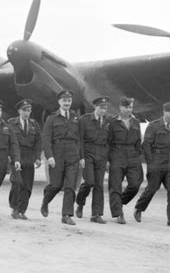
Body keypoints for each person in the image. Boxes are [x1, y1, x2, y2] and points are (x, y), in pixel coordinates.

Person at [134, 102, 170, 228]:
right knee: (152, 189)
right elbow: (146, 145)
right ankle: (139, 208)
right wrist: (151, 163)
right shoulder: (154, 126)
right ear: (164, 112)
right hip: (157, 161)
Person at [41, 90, 84, 225]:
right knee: (56, 185)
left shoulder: (75, 117)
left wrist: (81, 157)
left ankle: (66, 215)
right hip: (57, 153)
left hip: (72, 153)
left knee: (70, 186)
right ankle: (46, 201)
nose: (67, 103)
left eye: (69, 100)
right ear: (59, 102)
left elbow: (80, 139)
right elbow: (46, 139)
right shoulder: (52, 118)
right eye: (64, 100)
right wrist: (49, 156)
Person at [75, 96, 111, 224]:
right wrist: (81, 157)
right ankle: (80, 202)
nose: (103, 110)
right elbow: (79, 140)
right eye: (101, 108)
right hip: (88, 154)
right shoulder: (84, 120)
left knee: (99, 185)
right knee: (89, 182)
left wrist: (107, 160)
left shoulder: (108, 121)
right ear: (95, 107)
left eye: (105, 108)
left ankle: (96, 214)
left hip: (101, 155)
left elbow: (109, 142)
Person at [108, 97, 143, 224]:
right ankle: (118, 214)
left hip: (132, 155)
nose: (129, 110)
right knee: (115, 185)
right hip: (117, 154)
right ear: (120, 107)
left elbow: (139, 141)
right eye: (126, 107)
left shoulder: (136, 122)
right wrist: (108, 159)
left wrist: (137, 154)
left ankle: (119, 202)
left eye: (130, 107)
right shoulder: (112, 123)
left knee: (135, 184)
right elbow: (108, 142)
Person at [8, 99, 41, 220]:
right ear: (19, 111)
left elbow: (38, 142)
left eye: (28, 110)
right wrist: (9, 155)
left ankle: (22, 210)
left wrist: (37, 157)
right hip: (16, 155)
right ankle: (15, 208)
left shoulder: (34, 124)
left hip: (29, 156)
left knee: (27, 185)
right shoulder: (11, 123)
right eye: (24, 110)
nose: (26, 113)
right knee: (17, 182)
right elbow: (8, 140)